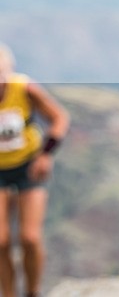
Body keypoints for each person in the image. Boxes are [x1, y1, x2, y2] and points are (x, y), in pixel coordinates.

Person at [0, 44, 69, 297]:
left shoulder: (24, 89)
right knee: (1, 241)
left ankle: (32, 291)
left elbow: (60, 118)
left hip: (28, 166)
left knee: (29, 237)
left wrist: (45, 154)